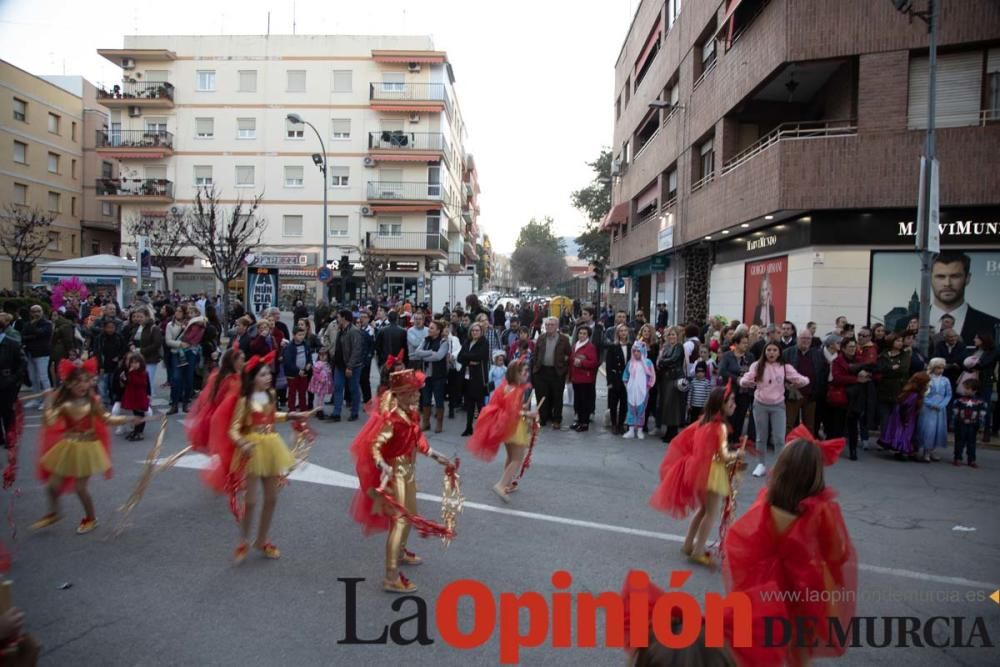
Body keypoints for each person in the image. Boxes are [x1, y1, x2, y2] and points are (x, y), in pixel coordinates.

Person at [723, 430, 857, 667]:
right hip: (805, 590)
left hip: (765, 585)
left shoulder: (767, 500)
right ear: (815, 474)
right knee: (800, 650)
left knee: (762, 643)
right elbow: (837, 553)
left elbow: (745, 536)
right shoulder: (821, 511)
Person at [348, 369, 454, 593]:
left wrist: (437, 456)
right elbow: (375, 446)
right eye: (412, 393)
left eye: (416, 392)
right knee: (401, 521)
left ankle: (402, 551)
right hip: (396, 474)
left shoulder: (411, 413)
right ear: (400, 395)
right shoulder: (393, 419)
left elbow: (418, 439)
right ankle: (391, 575)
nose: (417, 396)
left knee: (409, 515)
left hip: (408, 472)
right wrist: (382, 465)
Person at [205, 351, 316, 563]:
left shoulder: (271, 395)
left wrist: (291, 415)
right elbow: (234, 429)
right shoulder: (244, 400)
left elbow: (271, 416)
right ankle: (244, 540)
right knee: (252, 500)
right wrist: (243, 443)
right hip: (252, 449)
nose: (268, 378)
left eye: (268, 374)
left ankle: (262, 539)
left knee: (272, 498)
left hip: (271, 445)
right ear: (253, 378)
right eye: (263, 375)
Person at [31, 359, 139, 534]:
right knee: (52, 486)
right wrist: (49, 401)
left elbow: (106, 419)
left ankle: (91, 518)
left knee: (80, 488)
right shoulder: (64, 405)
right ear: (68, 384)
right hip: (67, 447)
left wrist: (128, 419)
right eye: (77, 382)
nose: (82, 385)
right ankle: (54, 512)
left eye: (86, 380)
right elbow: (49, 421)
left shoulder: (92, 402)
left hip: (87, 448)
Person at [650, 386, 741, 567]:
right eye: (731, 401)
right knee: (711, 513)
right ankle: (698, 551)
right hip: (712, 473)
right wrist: (737, 455)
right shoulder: (720, 427)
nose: (734, 405)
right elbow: (723, 455)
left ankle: (688, 544)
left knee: (703, 510)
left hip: (699, 471)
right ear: (721, 405)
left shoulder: (703, 422)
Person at [467, 360, 537, 502]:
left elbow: (509, 407)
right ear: (513, 374)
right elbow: (512, 411)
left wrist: (522, 407)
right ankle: (501, 484)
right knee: (517, 460)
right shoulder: (515, 390)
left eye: (526, 371)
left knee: (511, 457)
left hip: (506, 427)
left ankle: (508, 483)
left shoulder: (507, 386)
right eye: (521, 371)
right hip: (515, 427)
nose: (525, 374)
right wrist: (528, 414)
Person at [740, 342, 809, 476]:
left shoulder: (785, 367)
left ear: (779, 352)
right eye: (769, 350)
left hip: (778, 405)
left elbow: (801, 378)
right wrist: (745, 382)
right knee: (761, 437)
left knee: (778, 437)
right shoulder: (757, 365)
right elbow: (746, 378)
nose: (771, 353)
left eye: (774, 350)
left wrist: (801, 382)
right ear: (765, 352)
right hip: (760, 404)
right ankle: (761, 464)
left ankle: (780, 465)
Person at [929, 252, 1000, 346]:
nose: (947, 283)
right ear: (929, 278)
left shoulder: (993, 326)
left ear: (967, 278)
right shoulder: (905, 324)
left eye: (955, 276)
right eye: (940, 277)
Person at [184, 346, 244, 453]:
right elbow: (219, 398)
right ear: (233, 362)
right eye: (241, 360)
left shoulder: (237, 376)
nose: (243, 363)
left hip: (236, 415)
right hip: (226, 417)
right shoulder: (228, 379)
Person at [782, 329, 826, 434]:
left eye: (808, 338)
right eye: (803, 338)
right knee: (789, 424)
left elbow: (821, 373)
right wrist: (787, 386)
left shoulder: (818, 354)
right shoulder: (787, 353)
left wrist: (817, 391)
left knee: (809, 426)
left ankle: (807, 448)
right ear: (797, 339)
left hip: (810, 395)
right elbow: (781, 372)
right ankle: (788, 448)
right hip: (793, 395)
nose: (806, 341)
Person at [410, 319, 450, 433]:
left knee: (439, 400)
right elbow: (417, 352)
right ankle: (426, 422)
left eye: (432, 328)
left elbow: (439, 357)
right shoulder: (426, 340)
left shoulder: (444, 342)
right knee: (426, 399)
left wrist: (425, 355)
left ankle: (439, 424)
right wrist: (431, 352)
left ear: (438, 331)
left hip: (439, 376)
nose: (429, 330)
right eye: (429, 327)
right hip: (426, 375)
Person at [532, 317, 571, 430]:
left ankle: (557, 419)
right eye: (548, 324)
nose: (549, 326)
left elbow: (568, 354)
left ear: (557, 326)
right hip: (542, 370)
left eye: (552, 324)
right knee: (542, 395)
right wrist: (536, 368)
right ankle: (543, 418)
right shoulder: (541, 338)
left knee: (557, 396)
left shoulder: (563, 339)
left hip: (557, 371)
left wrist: (564, 366)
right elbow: (536, 354)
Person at [719, 331, 755, 444]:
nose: (746, 345)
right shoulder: (727, 355)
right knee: (730, 416)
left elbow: (753, 371)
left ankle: (736, 439)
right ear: (737, 343)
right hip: (731, 391)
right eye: (743, 343)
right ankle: (727, 439)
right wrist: (737, 379)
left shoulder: (750, 356)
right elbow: (722, 371)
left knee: (741, 415)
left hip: (745, 391)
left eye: (747, 343)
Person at [882, 372, 929, 460]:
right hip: (906, 416)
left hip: (904, 415)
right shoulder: (914, 395)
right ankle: (902, 450)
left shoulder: (910, 391)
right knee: (905, 433)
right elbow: (906, 407)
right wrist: (906, 419)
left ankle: (903, 450)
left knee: (903, 432)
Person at [876, 333, 911, 443]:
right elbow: (880, 369)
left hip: (899, 390)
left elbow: (903, 370)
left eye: (901, 341)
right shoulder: (884, 355)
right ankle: (884, 439)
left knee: (897, 417)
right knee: (884, 418)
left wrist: (890, 369)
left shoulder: (905, 355)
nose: (900, 343)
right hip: (884, 390)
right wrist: (892, 368)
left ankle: (895, 440)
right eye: (898, 341)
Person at [962, 333, 997, 443]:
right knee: (971, 405)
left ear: (983, 339)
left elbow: (985, 363)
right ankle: (972, 430)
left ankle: (986, 431)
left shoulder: (992, 351)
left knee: (985, 406)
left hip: (985, 382)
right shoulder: (976, 350)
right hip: (973, 380)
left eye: (976, 338)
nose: (974, 339)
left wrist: (972, 364)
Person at [330, 310, 364, 422]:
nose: (337, 319)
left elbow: (357, 350)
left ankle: (354, 412)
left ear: (344, 318)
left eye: (338, 317)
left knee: (353, 388)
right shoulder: (341, 330)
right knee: (338, 387)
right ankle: (336, 413)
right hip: (339, 365)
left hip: (352, 366)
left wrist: (350, 366)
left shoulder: (354, 331)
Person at [459, 322, 490, 436]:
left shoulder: (484, 343)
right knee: (469, 403)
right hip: (467, 376)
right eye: (473, 330)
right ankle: (468, 427)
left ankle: (483, 428)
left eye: (477, 330)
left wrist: (467, 356)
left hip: (479, 377)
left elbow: (480, 356)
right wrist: (469, 360)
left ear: (481, 332)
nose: (475, 332)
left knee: (480, 404)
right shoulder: (467, 342)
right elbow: (459, 357)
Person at [918, 358, 952, 463]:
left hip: (940, 409)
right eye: (938, 368)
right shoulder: (928, 378)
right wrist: (930, 404)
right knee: (929, 429)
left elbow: (948, 395)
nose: (940, 370)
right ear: (933, 368)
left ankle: (933, 451)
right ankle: (926, 452)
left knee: (938, 429)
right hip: (928, 408)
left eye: (942, 368)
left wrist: (942, 405)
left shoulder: (945, 380)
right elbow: (923, 394)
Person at [656, 329, 686, 442]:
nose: (671, 337)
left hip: (675, 378)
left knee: (673, 405)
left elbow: (673, 360)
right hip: (666, 378)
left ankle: (673, 432)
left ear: (677, 336)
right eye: (669, 335)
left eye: (673, 334)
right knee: (667, 405)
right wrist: (663, 361)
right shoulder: (667, 347)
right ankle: (669, 430)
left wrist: (663, 361)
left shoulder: (679, 347)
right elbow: (661, 361)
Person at [622, 341, 656, 440]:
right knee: (631, 409)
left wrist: (648, 386)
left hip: (643, 391)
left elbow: (652, 376)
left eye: (638, 351)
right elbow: (625, 375)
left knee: (641, 410)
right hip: (632, 390)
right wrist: (627, 385)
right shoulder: (630, 363)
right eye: (634, 351)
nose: (636, 353)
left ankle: (640, 430)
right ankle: (631, 430)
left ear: (642, 351)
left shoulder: (648, 362)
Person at [0, 314, 25, 446]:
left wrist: (14, 378)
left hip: (6, 381)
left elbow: (22, 362)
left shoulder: (12, 343)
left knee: (7, 411)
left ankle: (10, 436)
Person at [20, 304, 52, 408]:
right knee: (33, 378)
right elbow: (23, 336)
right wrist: (33, 336)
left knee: (43, 377)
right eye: (33, 311)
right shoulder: (27, 324)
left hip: (42, 353)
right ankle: (36, 399)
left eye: (38, 311)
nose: (36, 313)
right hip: (30, 353)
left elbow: (41, 334)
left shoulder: (47, 323)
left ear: (42, 312)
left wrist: (33, 333)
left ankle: (47, 400)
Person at [568, 326, 599, 432]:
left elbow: (594, 362)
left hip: (585, 378)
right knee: (577, 401)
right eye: (580, 333)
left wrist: (582, 363)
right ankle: (579, 421)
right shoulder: (576, 345)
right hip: (576, 377)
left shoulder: (590, 347)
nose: (581, 335)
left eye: (584, 333)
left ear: (588, 335)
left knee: (584, 401)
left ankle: (584, 423)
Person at [952, 378, 986, 468]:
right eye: (964, 388)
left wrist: (981, 426)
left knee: (972, 443)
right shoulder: (959, 401)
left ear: (975, 390)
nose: (965, 390)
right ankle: (957, 458)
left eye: (967, 388)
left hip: (973, 425)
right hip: (961, 424)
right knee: (959, 442)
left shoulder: (980, 402)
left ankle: (971, 460)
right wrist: (953, 422)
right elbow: (955, 412)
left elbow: (982, 414)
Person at [119, 351, 151, 441]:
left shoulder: (142, 373)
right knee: (136, 414)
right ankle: (136, 431)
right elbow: (128, 383)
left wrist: (130, 374)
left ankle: (140, 432)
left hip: (139, 396)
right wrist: (124, 378)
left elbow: (139, 383)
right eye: (132, 362)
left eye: (136, 363)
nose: (134, 365)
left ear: (141, 363)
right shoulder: (130, 372)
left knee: (140, 414)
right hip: (133, 395)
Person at [605, 325, 630, 435]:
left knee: (624, 403)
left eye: (625, 330)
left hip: (627, 379)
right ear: (617, 333)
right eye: (621, 331)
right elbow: (608, 366)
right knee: (613, 403)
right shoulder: (613, 346)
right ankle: (614, 424)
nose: (623, 333)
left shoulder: (631, 346)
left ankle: (621, 424)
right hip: (615, 377)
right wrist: (609, 382)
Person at [282, 328, 312, 413]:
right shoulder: (289, 347)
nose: (302, 337)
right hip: (292, 374)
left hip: (304, 372)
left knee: (303, 392)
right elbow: (288, 361)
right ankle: (292, 409)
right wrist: (297, 371)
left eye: (303, 335)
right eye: (299, 335)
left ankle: (303, 408)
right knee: (292, 392)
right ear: (294, 335)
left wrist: (309, 363)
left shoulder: (306, 344)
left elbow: (309, 355)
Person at [308, 348, 333, 418]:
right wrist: (320, 379)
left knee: (321, 397)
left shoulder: (328, 364)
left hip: (324, 384)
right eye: (320, 355)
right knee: (319, 398)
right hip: (319, 384)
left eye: (324, 355)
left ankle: (319, 410)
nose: (322, 356)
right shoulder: (318, 364)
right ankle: (319, 411)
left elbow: (329, 374)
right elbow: (315, 373)